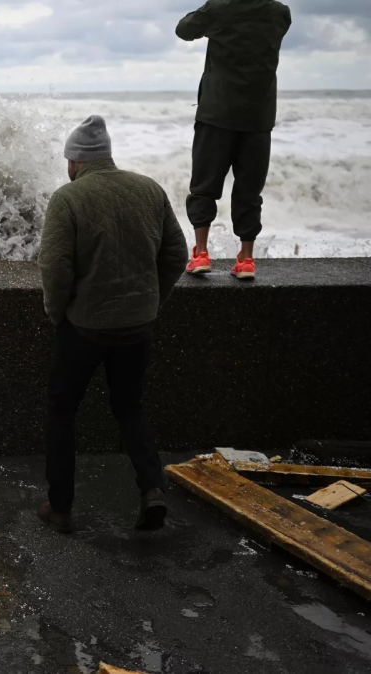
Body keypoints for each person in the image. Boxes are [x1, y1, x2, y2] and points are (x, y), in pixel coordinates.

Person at [37, 116, 189, 533]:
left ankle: (60, 506)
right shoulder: (148, 189)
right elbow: (177, 253)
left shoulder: (68, 199)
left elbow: (55, 267)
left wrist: (57, 313)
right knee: (130, 407)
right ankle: (152, 490)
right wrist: (149, 300)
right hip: (138, 325)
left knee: (62, 410)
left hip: (84, 328)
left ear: (75, 160)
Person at [177, 0, 292, 279]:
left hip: (217, 112)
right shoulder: (280, 12)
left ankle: (201, 253)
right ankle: (246, 259)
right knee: (249, 190)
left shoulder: (219, 9)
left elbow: (184, 29)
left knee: (204, 185)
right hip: (258, 117)